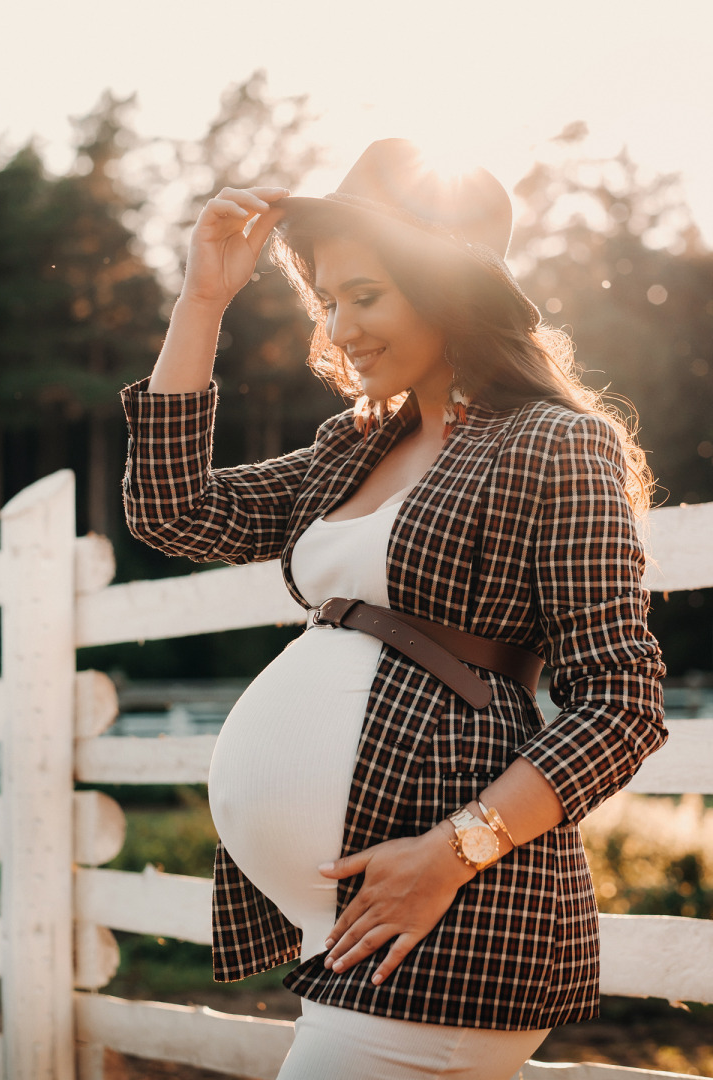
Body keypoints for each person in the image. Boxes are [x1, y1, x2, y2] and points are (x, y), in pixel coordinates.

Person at [121, 139, 667, 1080]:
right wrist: (202, 300)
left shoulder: (553, 443)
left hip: (450, 919)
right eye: (328, 301)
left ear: (447, 288)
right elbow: (171, 511)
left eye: (365, 296)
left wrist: (452, 853)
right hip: (356, 930)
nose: (337, 329)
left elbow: (622, 702)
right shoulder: (353, 446)